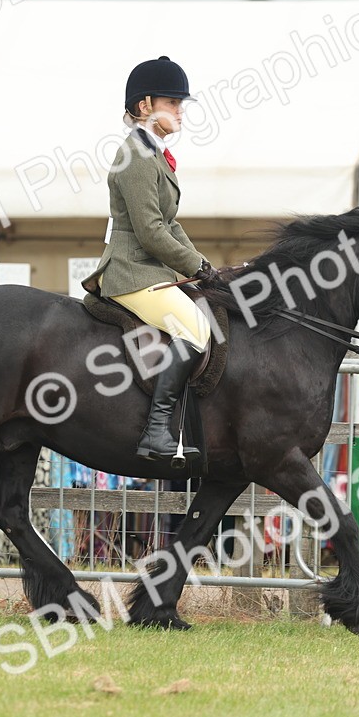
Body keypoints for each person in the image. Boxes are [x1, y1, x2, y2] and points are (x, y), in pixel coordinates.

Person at [82, 56, 219, 466]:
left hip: (150, 270)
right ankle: (157, 430)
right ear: (145, 106)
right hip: (131, 271)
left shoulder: (153, 153)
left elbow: (170, 223)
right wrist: (194, 267)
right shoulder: (136, 157)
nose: (181, 111)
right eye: (172, 102)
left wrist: (203, 266)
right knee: (196, 328)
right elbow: (151, 231)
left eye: (181, 103)